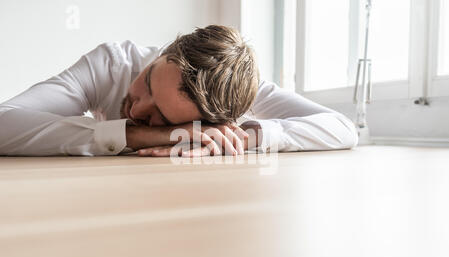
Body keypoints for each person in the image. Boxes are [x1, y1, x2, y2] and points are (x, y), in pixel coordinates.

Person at [0, 25, 357, 157]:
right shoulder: (111, 63)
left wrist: (243, 138)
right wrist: (137, 134)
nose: (138, 108)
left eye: (163, 118)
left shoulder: (241, 92)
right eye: (149, 83)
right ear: (163, 55)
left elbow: (342, 127)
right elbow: (4, 123)